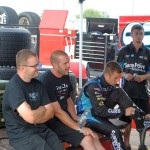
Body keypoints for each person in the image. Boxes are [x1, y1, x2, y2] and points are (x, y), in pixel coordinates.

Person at [38, 50, 105, 150]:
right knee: (87, 140)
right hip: (52, 122)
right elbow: (57, 112)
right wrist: (79, 128)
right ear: (55, 65)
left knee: (93, 135)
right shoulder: (47, 81)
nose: (68, 65)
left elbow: (68, 98)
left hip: (65, 117)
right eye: (65, 63)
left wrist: (75, 117)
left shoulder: (65, 75)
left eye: (68, 62)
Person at [76, 60, 149, 150]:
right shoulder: (94, 86)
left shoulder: (109, 84)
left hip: (99, 113)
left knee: (119, 91)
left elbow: (121, 101)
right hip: (86, 116)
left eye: (118, 78)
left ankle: (141, 118)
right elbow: (100, 111)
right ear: (107, 75)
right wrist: (123, 112)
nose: (118, 80)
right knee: (115, 131)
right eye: (115, 78)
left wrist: (142, 113)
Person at [2, 49, 65, 150]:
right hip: (22, 136)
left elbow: (50, 112)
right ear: (23, 68)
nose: (38, 68)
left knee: (58, 146)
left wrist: (36, 115)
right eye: (34, 66)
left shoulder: (38, 84)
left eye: (38, 64)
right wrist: (41, 109)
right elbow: (31, 118)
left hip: (41, 130)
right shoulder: (14, 87)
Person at [116, 24, 150, 150]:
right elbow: (116, 70)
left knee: (144, 121)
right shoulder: (123, 51)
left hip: (142, 94)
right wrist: (124, 75)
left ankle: (142, 144)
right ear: (131, 35)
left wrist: (144, 77)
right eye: (136, 33)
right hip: (126, 94)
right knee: (125, 121)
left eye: (141, 33)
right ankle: (126, 144)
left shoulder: (148, 52)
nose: (139, 36)